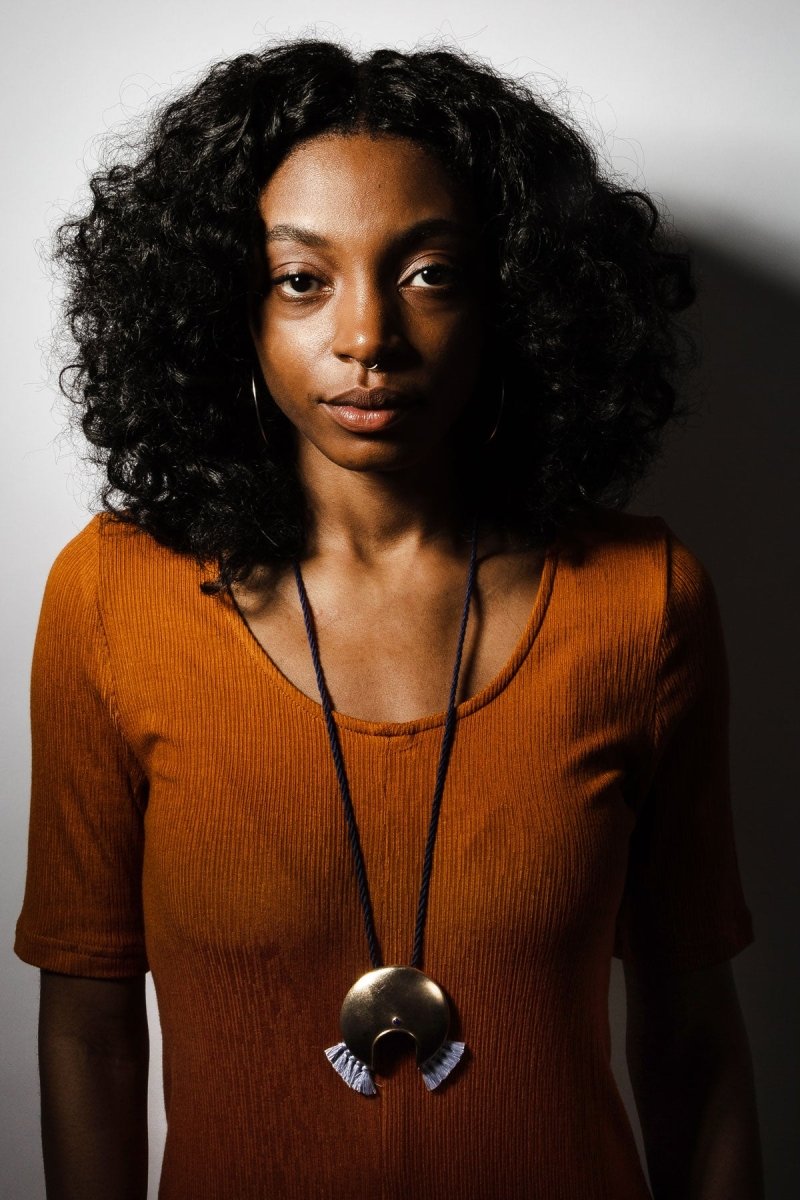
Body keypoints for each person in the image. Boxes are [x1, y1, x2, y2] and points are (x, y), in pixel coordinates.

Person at [15, 38, 763, 1200]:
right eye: (301, 279)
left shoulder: (642, 599)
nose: (366, 338)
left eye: (429, 273)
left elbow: (695, 1048)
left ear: (513, 294)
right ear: (227, 307)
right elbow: (88, 1034)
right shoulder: (112, 596)